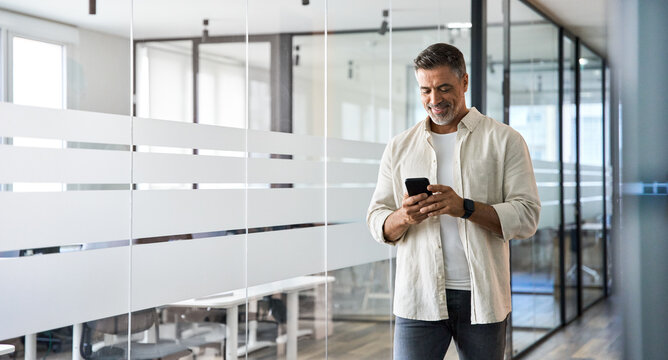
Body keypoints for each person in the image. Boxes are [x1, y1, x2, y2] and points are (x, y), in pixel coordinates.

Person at [366, 43, 540, 360]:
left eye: (444, 88)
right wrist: (404, 217)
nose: (434, 100)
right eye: (426, 90)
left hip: (482, 297)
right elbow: (377, 219)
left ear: (464, 82)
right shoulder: (399, 147)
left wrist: (465, 208)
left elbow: (527, 216)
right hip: (417, 297)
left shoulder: (505, 140)